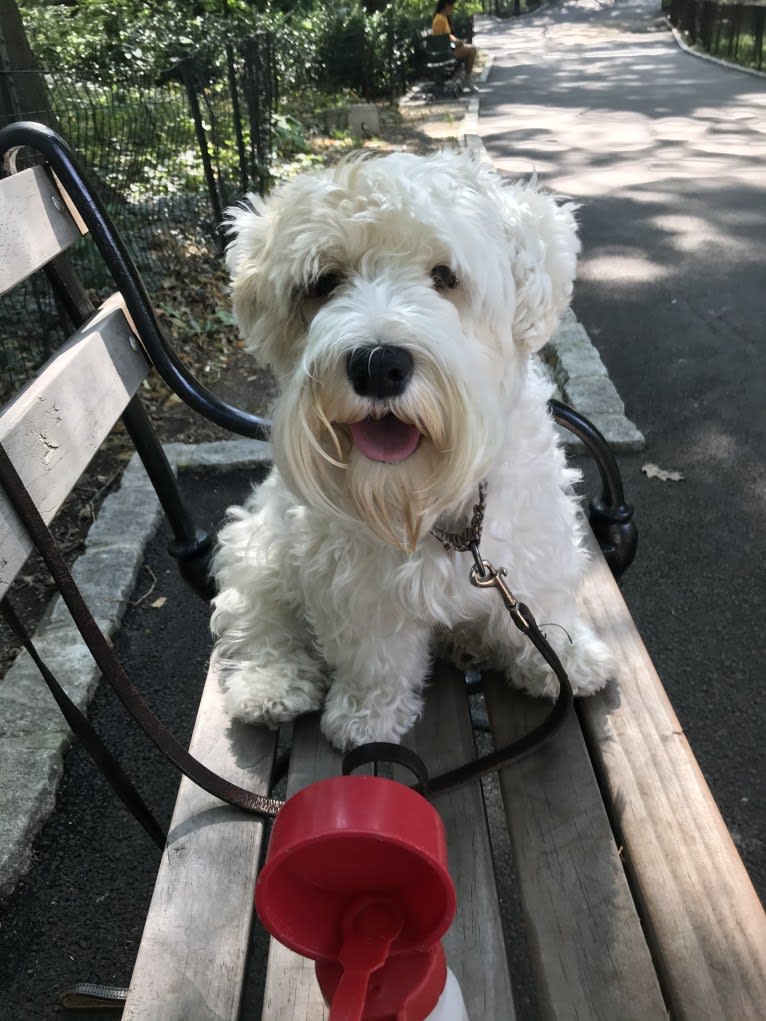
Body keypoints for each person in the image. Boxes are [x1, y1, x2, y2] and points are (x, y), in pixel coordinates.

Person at [431, 0, 477, 90]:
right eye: (451, 6)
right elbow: (440, 41)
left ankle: (466, 77)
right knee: (472, 50)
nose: (453, 9)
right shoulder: (440, 19)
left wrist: (457, 41)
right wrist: (455, 44)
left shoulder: (443, 17)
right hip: (444, 53)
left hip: (447, 49)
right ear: (446, 5)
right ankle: (467, 79)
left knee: (471, 49)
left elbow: (448, 36)